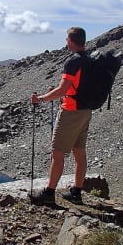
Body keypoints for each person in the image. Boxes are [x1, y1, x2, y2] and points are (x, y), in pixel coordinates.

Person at [30, 27, 92, 205]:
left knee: (57, 153)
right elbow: (76, 88)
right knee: (79, 152)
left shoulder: (73, 62)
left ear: (71, 41)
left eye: (67, 39)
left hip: (70, 112)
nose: (66, 42)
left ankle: (49, 194)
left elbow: (63, 89)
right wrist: (59, 93)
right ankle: (76, 192)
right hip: (86, 111)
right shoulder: (90, 60)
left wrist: (41, 98)